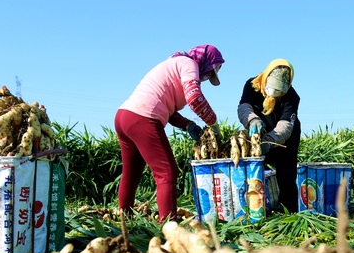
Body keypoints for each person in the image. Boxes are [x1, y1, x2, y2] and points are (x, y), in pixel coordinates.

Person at [114, 44, 224, 222]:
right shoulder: (190, 64)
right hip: (142, 119)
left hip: (125, 116)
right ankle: (169, 224)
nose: (206, 77)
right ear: (204, 61)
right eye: (210, 72)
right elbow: (194, 98)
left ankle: (124, 219)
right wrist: (213, 122)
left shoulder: (174, 65)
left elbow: (167, 108)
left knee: (132, 173)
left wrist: (187, 125)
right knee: (167, 172)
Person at [237, 58, 301, 213]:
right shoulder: (252, 85)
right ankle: (256, 210)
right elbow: (244, 106)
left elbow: (285, 126)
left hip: (285, 140)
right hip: (258, 132)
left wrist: (270, 141)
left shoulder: (292, 96)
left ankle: (288, 211)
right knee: (255, 175)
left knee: (286, 175)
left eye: (279, 93)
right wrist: (252, 120)